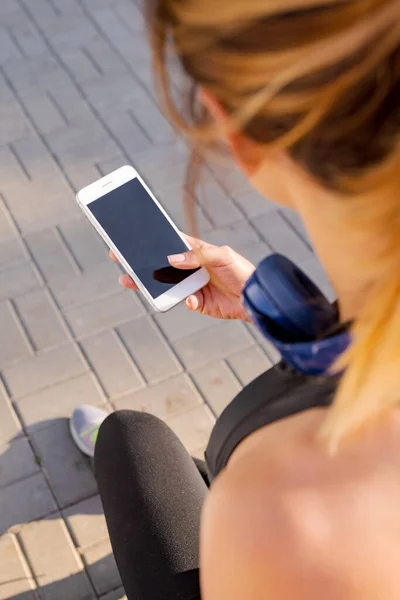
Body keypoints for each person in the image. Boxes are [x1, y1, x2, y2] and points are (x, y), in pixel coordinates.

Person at [70, 0, 400, 598]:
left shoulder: (287, 513)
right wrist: (267, 305)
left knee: (128, 441)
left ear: (235, 132)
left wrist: (248, 509)